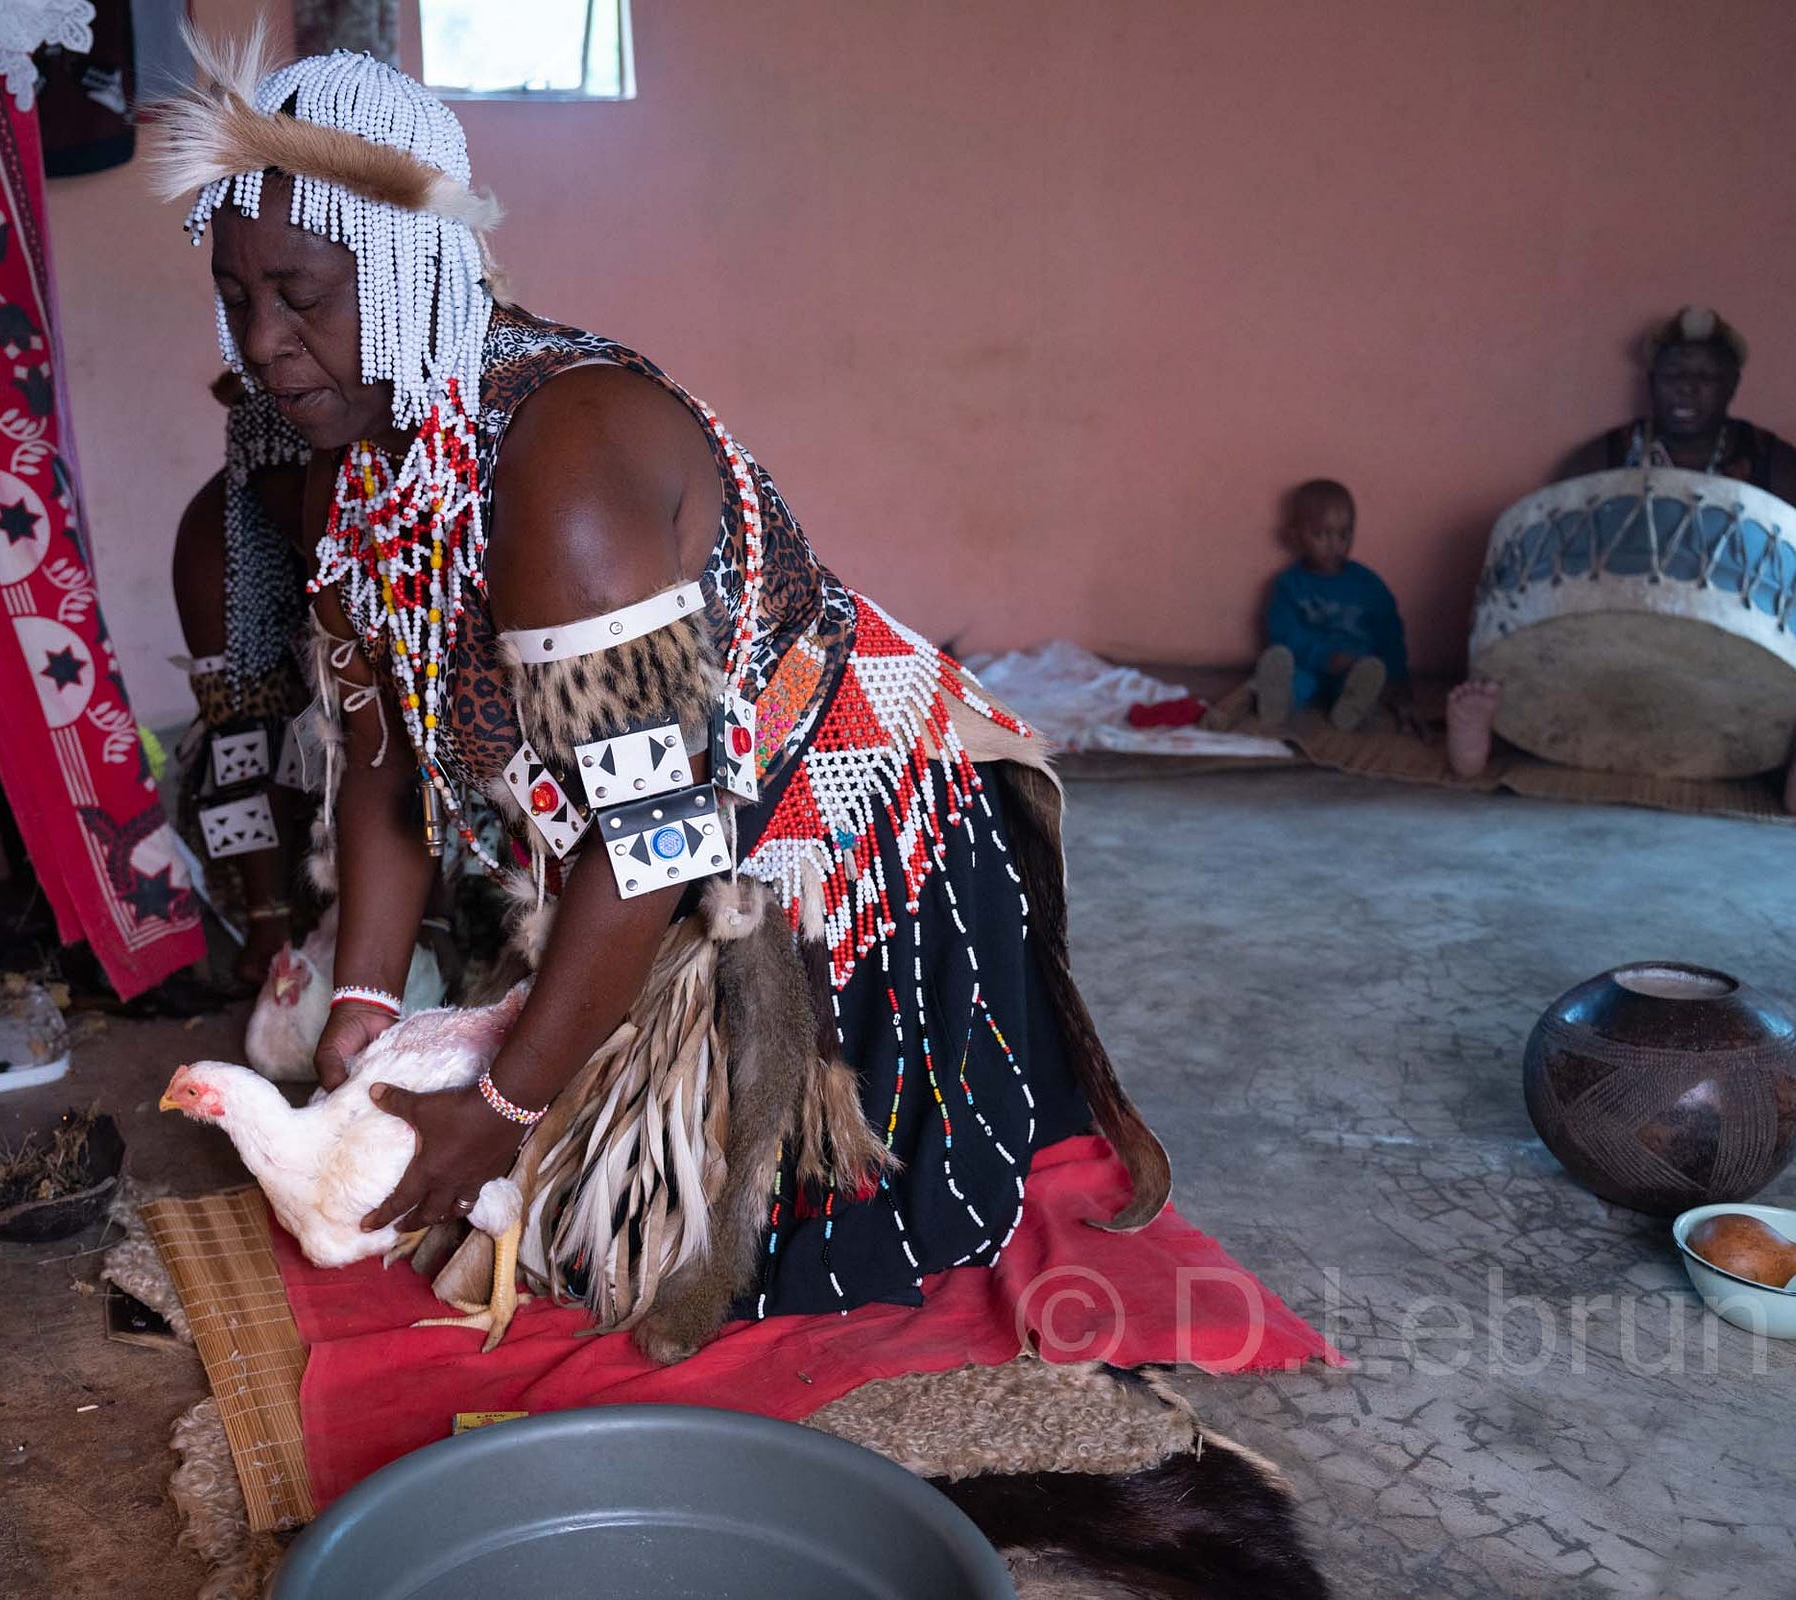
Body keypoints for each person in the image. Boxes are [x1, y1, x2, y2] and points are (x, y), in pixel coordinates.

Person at [152, 41, 1168, 1363]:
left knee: (647, 1255)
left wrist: (502, 1116)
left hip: (819, 849)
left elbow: (655, 844)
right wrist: (361, 1005)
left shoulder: (561, 469)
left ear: (415, 267)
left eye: (299, 296)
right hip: (648, 845)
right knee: (470, 1188)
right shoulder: (345, 465)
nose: (265, 346)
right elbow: (384, 763)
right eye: (237, 298)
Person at [1447, 307, 1796, 813]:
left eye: (1706, 377)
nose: (1688, 387)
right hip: (1607, 638)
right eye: (1675, 374)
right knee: (1535, 682)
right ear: (1651, 381)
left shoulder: (1779, 464)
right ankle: (1479, 733)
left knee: (1770, 707)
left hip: (1731, 651)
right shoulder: (1598, 459)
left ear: (1732, 385)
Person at [169, 375, 318, 987]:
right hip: (254, 660)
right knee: (248, 753)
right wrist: (268, 918)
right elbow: (241, 758)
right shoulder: (220, 535)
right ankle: (266, 926)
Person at [1205, 479, 1409, 732]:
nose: (1334, 544)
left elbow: (1389, 630)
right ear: (1295, 536)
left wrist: (1397, 675)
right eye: (1321, 534)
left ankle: (1352, 711)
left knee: (1362, 678)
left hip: (1353, 665)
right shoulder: (1290, 585)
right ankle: (1278, 704)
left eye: (1344, 534)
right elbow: (1283, 632)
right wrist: (1322, 657)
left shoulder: (1369, 586)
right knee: (1292, 676)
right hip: (1307, 663)